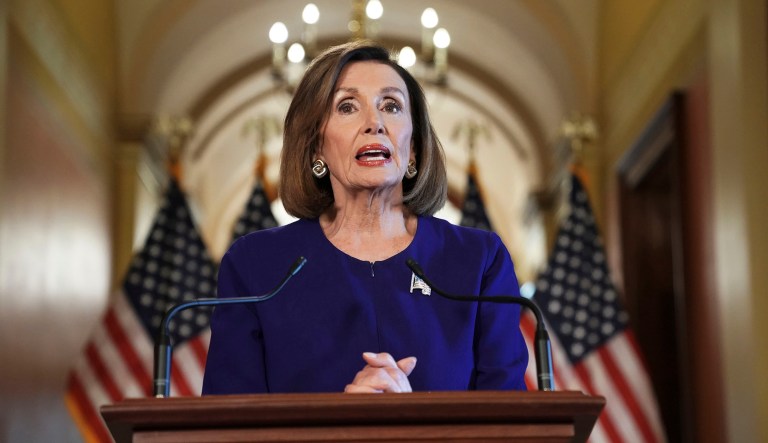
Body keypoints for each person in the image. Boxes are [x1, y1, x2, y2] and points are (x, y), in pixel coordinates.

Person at [202, 41, 528, 395]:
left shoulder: (479, 261)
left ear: (414, 147)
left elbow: (510, 423)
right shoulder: (256, 266)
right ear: (315, 147)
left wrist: (415, 424)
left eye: (391, 106)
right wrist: (342, 425)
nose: (374, 123)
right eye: (347, 106)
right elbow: (228, 426)